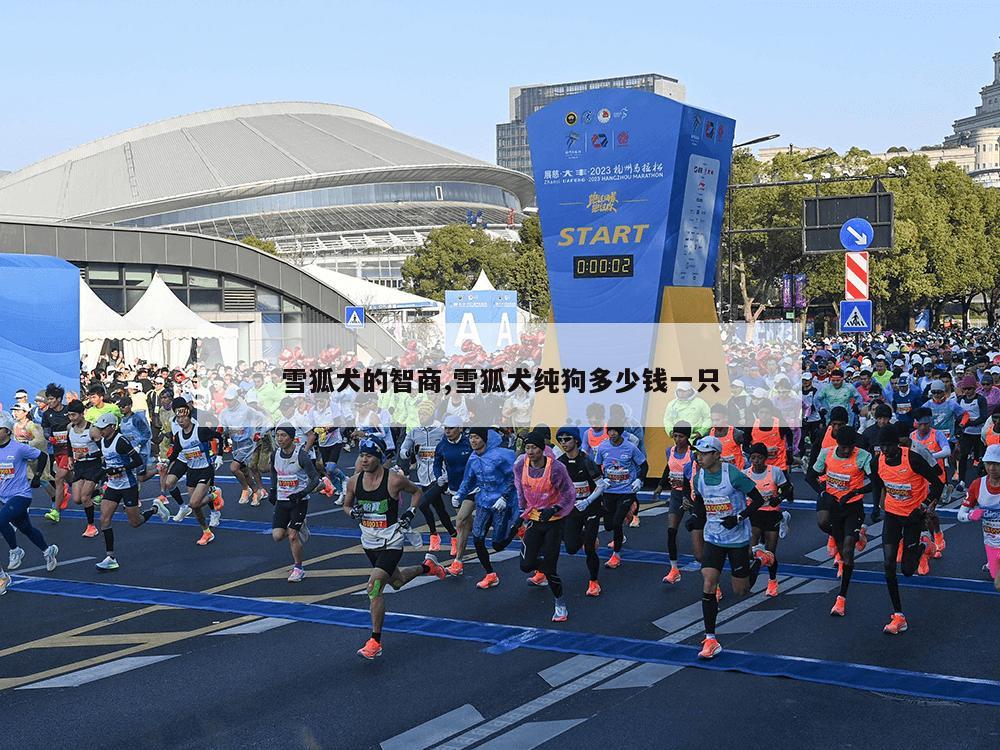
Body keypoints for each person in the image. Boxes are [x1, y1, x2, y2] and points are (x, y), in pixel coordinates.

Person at [343, 437, 445, 659]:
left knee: (374, 586)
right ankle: (428, 567)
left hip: (392, 540)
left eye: (369, 455)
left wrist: (410, 512)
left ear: (379, 457)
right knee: (396, 582)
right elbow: (346, 504)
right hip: (369, 541)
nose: (364, 459)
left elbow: (417, 491)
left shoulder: (394, 480)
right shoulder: (353, 481)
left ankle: (375, 642)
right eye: (362, 455)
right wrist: (352, 513)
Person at [690, 436, 770, 659]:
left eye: (705, 453)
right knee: (708, 582)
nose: (700, 457)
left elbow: (758, 500)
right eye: (699, 453)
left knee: (740, 591)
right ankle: (711, 639)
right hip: (713, 536)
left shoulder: (732, 474)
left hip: (737, 538)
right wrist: (696, 516)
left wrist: (739, 517)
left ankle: (760, 560)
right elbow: (700, 501)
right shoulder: (699, 477)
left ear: (716, 454)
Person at [873, 424, 944, 634]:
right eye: (882, 446)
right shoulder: (879, 460)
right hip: (893, 515)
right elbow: (879, 484)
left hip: (913, 516)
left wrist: (924, 507)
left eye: (889, 446)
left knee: (907, 571)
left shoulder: (912, 458)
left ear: (898, 443)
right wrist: (877, 508)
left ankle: (924, 546)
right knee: (888, 563)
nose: (885, 450)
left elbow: (938, 483)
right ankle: (898, 616)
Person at [92, 412, 170, 571]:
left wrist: (120, 468)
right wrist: (99, 479)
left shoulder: (121, 442)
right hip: (113, 486)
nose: (101, 431)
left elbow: (137, 461)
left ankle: (155, 509)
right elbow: (106, 463)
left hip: (128, 486)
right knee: (104, 519)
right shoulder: (102, 442)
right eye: (99, 428)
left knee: (135, 523)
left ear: (112, 427)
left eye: (103, 428)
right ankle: (110, 557)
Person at [513, 429, 576, 622]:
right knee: (526, 565)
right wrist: (521, 513)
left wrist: (555, 508)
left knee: (550, 568)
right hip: (533, 518)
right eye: (527, 447)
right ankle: (546, 567)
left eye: (534, 447)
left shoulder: (556, 468)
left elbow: (569, 493)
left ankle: (560, 604)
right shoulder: (520, 466)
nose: (530, 451)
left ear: (542, 449)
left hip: (553, 522)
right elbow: (520, 489)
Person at [811, 426, 872, 615]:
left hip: (853, 507)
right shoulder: (826, 454)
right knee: (834, 536)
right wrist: (823, 492)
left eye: (850, 447)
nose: (847, 451)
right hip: (835, 508)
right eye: (844, 447)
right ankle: (857, 536)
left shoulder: (863, 456)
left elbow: (876, 481)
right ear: (837, 443)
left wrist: (856, 492)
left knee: (847, 551)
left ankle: (841, 598)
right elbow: (813, 475)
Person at [452, 427, 518, 589]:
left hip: (501, 503)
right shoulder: (473, 458)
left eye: (477, 437)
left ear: (485, 439)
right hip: (483, 501)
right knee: (477, 537)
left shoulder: (499, 456)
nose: (473, 441)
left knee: (498, 544)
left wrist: (504, 497)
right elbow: (468, 480)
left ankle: (517, 527)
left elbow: (514, 476)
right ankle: (490, 574)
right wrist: (459, 495)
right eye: (471, 437)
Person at [0, 412, 59, 579]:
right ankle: (48, 551)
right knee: (26, 528)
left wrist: (38, 476)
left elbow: (42, 456)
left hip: (21, 495)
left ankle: (15, 550)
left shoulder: (18, 448)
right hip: (4, 497)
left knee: (1, 520)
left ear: (7, 431)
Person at [555, 425, 607, 596]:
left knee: (590, 547)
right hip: (572, 509)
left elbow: (600, 485)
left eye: (567, 439)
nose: (564, 443)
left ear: (576, 440)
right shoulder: (560, 463)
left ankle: (594, 582)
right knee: (570, 548)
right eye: (560, 440)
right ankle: (585, 536)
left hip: (590, 507)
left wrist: (587, 500)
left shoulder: (586, 461)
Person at [164, 398, 223, 544]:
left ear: (189, 417)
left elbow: (219, 437)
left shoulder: (200, 430)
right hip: (191, 470)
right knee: (195, 507)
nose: (180, 420)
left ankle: (214, 495)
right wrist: (167, 462)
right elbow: (176, 452)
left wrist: (219, 456)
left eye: (183, 417)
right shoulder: (178, 436)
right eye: (178, 418)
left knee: (195, 503)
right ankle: (206, 532)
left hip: (205, 470)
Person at [399, 402, 457, 552]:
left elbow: (452, 445)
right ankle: (454, 535)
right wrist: (411, 450)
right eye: (420, 414)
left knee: (423, 504)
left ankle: (433, 534)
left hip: (440, 475)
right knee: (439, 508)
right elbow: (403, 452)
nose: (421, 417)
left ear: (431, 414)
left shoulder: (441, 430)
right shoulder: (414, 432)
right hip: (423, 475)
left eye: (424, 414)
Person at [270, 424, 321, 581]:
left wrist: (302, 493)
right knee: (277, 536)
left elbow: (315, 479)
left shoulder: (301, 455)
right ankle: (300, 527)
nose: (280, 439)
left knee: (292, 536)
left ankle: (298, 568)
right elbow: (273, 472)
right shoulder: (275, 454)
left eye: (284, 435)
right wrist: (273, 490)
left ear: (292, 438)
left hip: (299, 500)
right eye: (278, 435)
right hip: (282, 499)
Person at [594, 425, 647, 569]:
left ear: (620, 432)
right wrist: (601, 480)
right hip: (610, 490)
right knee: (609, 525)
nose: (612, 434)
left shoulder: (630, 447)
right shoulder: (603, 447)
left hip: (626, 490)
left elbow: (644, 465)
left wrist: (639, 480)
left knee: (617, 523)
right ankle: (627, 515)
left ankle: (616, 556)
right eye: (609, 431)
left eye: (615, 431)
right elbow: (597, 466)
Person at [745, 441, 794, 597]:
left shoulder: (775, 472)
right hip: (754, 513)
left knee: (770, 554)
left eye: (759, 457)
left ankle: (772, 581)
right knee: (750, 552)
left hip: (771, 513)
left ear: (765, 458)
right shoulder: (745, 474)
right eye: (753, 458)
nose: (756, 461)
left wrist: (778, 498)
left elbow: (787, 488)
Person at [653, 423, 697, 584]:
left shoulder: (693, 454)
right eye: (675, 436)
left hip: (692, 496)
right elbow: (669, 468)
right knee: (671, 531)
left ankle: (712, 576)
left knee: (698, 535)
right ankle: (674, 569)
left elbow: (692, 475)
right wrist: (659, 485)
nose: (677, 440)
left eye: (681, 436)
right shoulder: (669, 451)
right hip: (676, 494)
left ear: (688, 437)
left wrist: (689, 496)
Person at [434, 416, 475, 576]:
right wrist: (439, 476)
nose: (447, 431)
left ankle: (458, 561)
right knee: (466, 524)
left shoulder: (469, 443)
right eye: (445, 428)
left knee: (460, 521)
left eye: (451, 428)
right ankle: (475, 532)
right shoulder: (442, 445)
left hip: (472, 488)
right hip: (454, 489)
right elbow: (437, 463)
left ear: (459, 428)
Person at [957, 443, 1000, 592]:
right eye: (989, 463)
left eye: (996, 464)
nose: (992, 468)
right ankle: (992, 563)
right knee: (996, 577)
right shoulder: (977, 485)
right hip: (990, 540)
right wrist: (971, 515)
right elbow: (960, 515)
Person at [909, 407, 951, 557]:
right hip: (919, 481)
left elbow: (947, 451)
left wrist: (929, 456)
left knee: (929, 512)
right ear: (916, 423)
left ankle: (936, 536)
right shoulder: (912, 436)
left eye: (926, 424)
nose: (923, 427)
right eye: (920, 424)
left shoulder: (937, 434)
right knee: (924, 513)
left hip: (936, 479)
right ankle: (932, 541)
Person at [41, 383, 72, 522]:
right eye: (47, 399)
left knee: (59, 478)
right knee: (70, 479)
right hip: (57, 450)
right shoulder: (47, 414)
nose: (49, 401)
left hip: (70, 450)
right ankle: (96, 491)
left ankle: (56, 511)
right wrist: (50, 438)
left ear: (59, 399)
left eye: (52, 399)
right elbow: (46, 432)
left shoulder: (68, 410)